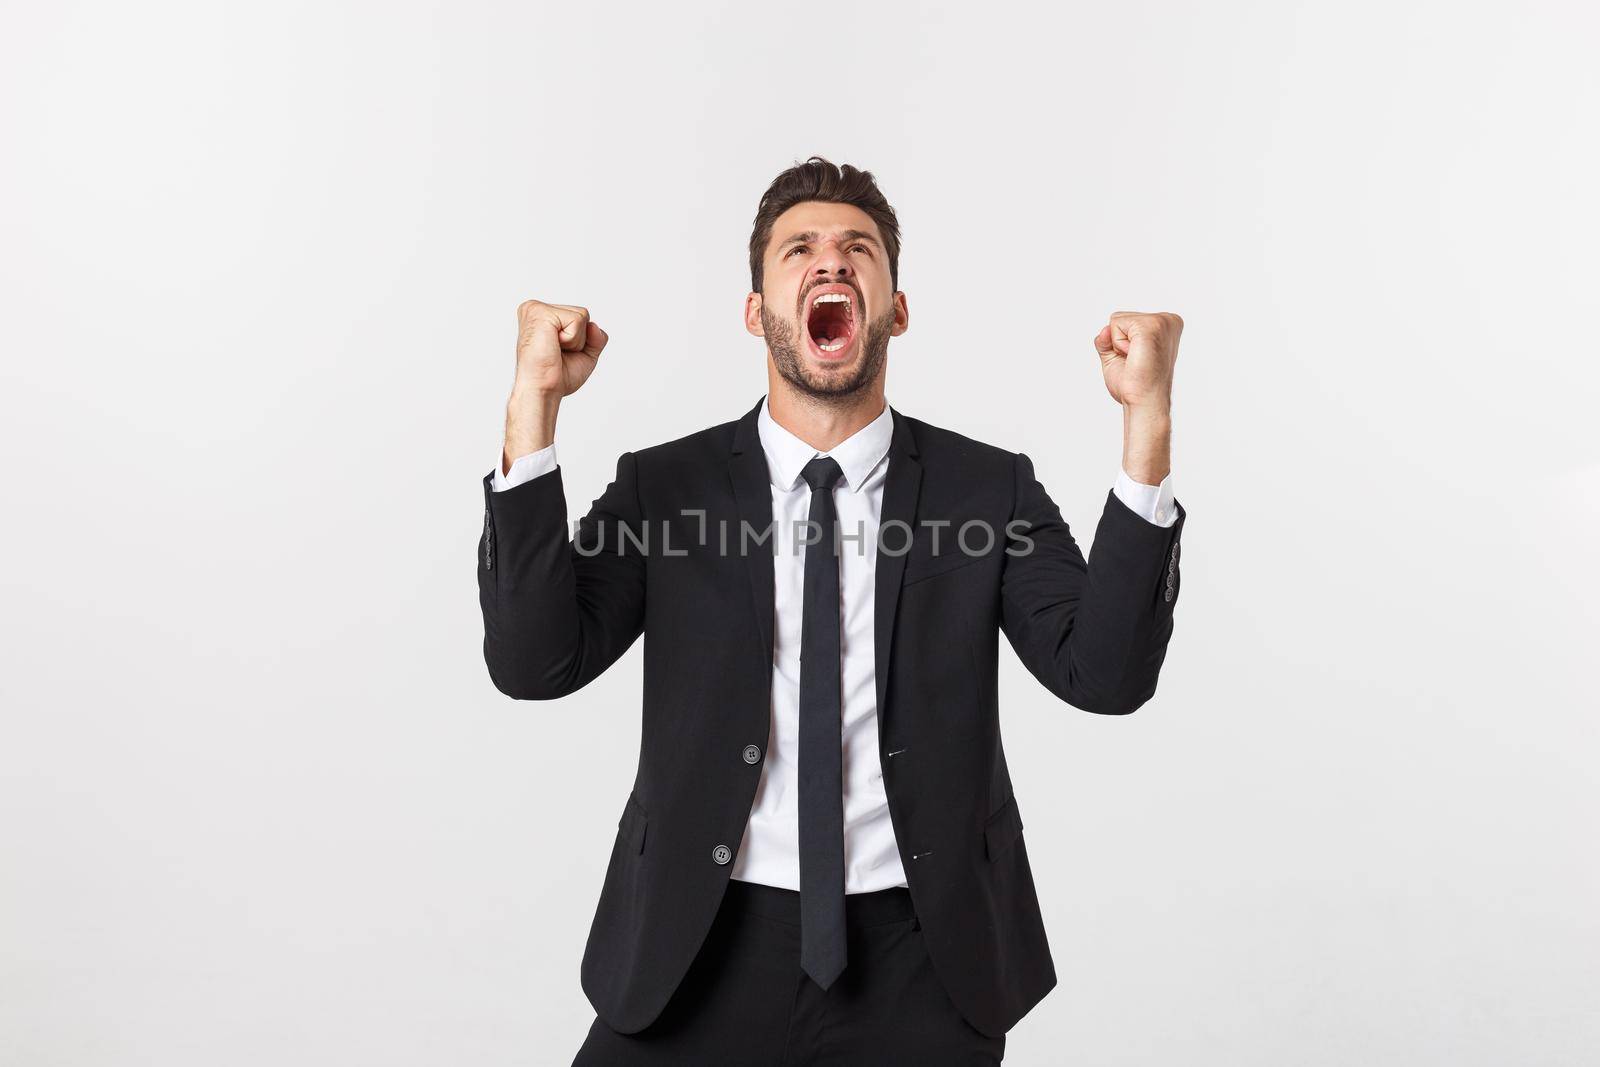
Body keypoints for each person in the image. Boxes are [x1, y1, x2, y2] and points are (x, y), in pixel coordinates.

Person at [476, 156, 1187, 1065]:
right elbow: (534, 662)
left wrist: (1147, 424)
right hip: (696, 943)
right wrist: (532, 407)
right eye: (798, 250)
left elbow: (1108, 673)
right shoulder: (666, 487)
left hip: (921, 957)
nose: (831, 262)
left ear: (895, 308)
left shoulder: (987, 491)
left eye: (858, 249)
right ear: (754, 310)